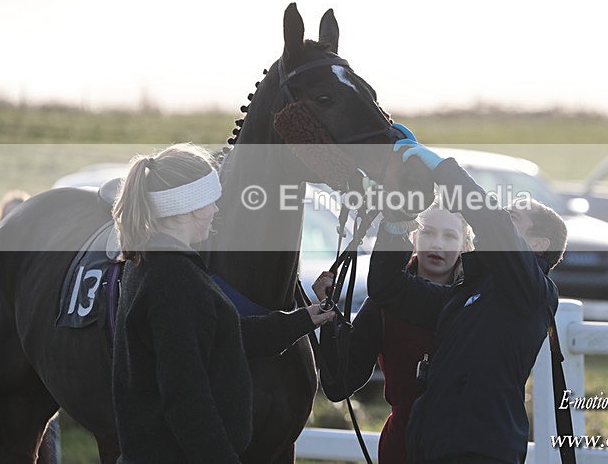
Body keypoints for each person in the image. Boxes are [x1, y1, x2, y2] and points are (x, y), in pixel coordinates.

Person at [111, 143, 334, 463]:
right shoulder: (173, 278)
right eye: (209, 202)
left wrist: (303, 319)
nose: (216, 211)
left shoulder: (153, 263)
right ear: (186, 207)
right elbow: (185, 397)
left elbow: (218, 334)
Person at [367, 136, 567, 464]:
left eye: (513, 218)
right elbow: (388, 288)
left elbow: (492, 223)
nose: (500, 218)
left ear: (537, 245)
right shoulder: (464, 297)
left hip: (480, 453)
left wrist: (444, 170)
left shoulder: (533, 293)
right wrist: (396, 219)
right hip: (431, 451)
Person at [311, 202, 473, 464]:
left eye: (450, 235)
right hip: (402, 446)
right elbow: (340, 383)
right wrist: (329, 314)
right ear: (413, 236)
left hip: (466, 445)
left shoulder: (480, 303)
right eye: (428, 232)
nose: (437, 243)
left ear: (466, 245)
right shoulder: (383, 303)